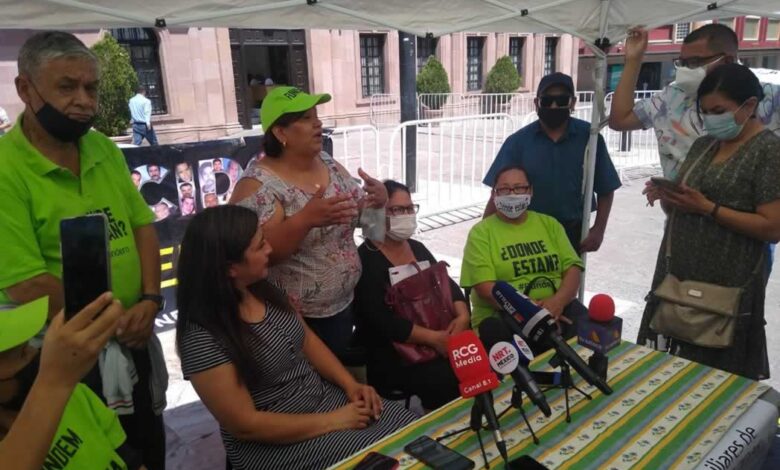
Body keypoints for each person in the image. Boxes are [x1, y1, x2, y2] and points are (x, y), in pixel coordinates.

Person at [0, 31, 166, 469]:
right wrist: (113, 322)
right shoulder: (5, 169)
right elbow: (25, 283)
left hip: (132, 332)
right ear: (25, 89)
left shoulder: (102, 147)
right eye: (66, 87)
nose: (84, 101)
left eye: (91, 88)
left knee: (149, 444)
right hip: (63, 356)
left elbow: (141, 224)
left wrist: (151, 299)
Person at [176, 205, 416, 470]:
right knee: (382, 458)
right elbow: (245, 425)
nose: (269, 249)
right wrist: (335, 420)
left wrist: (351, 386)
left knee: (411, 431)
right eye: (260, 246)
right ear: (230, 268)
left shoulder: (265, 289)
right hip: (277, 440)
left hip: (325, 401)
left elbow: (308, 341)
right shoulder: (202, 338)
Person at [638, 64, 780, 380]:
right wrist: (669, 197)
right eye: (705, 112)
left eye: (719, 111)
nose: (711, 119)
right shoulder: (705, 145)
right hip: (677, 276)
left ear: (749, 106)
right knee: (666, 374)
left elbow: (772, 228)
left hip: (725, 288)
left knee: (713, 379)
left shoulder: (768, 151)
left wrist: (709, 208)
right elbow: (685, 206)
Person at [230, 86, 387, 359]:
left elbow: (370, 229)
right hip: (296, 321)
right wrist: (305, 221)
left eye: (316, 116)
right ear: (280, 133)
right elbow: (257, 257)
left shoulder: (328, 163)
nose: (318, 123)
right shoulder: (257, 185)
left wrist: (377, 204)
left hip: (344, 307)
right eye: (305, 118)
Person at [610, 23, 780, 179]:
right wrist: (633, 61)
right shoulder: (672, 97)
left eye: (695, 62)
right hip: (680, 201)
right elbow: (620, 120)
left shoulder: (771, 97)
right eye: (682, 63)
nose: (686, 70)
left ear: (727, 60)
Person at [0, 295, 148, 470]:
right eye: (22, 354)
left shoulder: (72, 396)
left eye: (29, 345)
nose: (35, 354)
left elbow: (129, 459)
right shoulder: (58, 388)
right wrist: (55, 382)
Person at [354, 180, 465, 411]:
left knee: (476, 353)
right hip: (394, 353)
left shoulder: (417, 247)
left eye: (409, 208)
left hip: (437, 336)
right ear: (378, 214)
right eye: (396, 210)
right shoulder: (366, 259)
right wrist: (435, 339)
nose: (405, 215)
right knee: (443, 376)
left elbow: (447, 284)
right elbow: (382, 321)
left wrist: (463, 317)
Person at [483, 73, 621, 252]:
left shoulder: (590, 139)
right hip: (525, 234)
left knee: (570, 272)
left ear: (573, 103)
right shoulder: (518, 143)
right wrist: (483, 236)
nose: (554, 106)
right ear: (536, 103)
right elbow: (498, 193)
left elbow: (606, 187)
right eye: (547, 101)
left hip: (571, 233)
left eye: (561, 100)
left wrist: (599, 230)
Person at [462, 165, 585, 336]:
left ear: (530, 191)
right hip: (504, 318)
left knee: (592, 337)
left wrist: (558, 302)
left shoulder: (550, 224)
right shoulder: (481, 233)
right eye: (504, 189)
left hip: (557, 310)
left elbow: (573, 269)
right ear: (494, 194)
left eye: (519, 188)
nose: (512, 194)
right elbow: (485, 288)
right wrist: (534, 312)